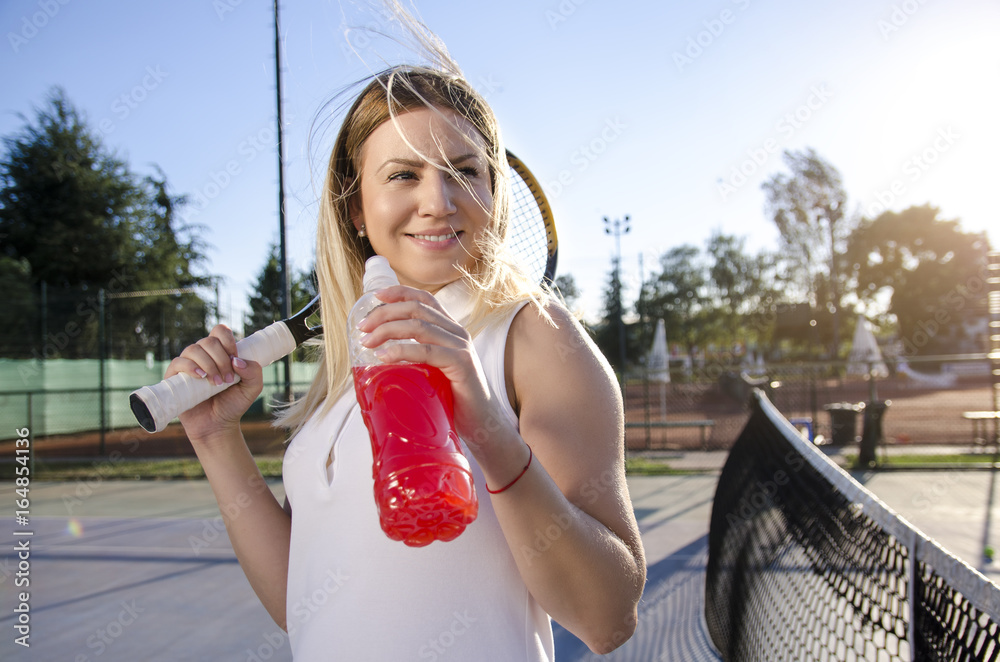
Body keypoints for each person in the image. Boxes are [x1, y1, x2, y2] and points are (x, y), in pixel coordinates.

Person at [165, 47, 645, 661]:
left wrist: (489, 428)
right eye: (403, 175)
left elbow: (608, 618)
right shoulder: (355, 363)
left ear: (494, 194)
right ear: (355, 209)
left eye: (464, 170)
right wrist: (215, 439)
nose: (439, 201)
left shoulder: (534, 334)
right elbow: (302, 601)